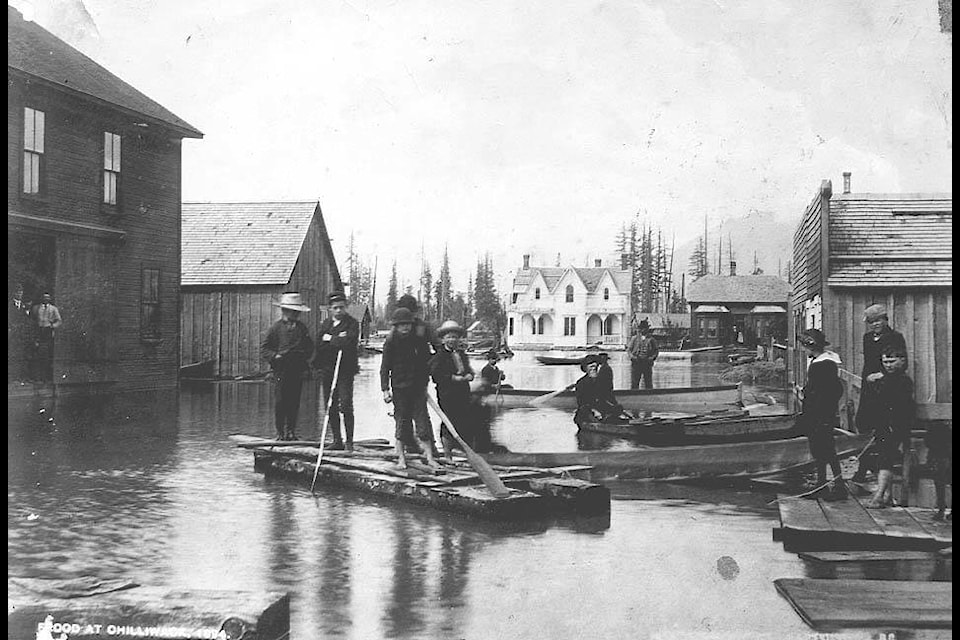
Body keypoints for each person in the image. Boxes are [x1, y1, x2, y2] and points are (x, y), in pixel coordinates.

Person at [852, 303, 908, 481]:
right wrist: (867, 378)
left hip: (887, 388)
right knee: (863, 424)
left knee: (883, 428)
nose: (875, 324)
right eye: (871, 321)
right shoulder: (867, 338)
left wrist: (882, 374)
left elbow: (901, 363)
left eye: (878, 320)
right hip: (869, 389)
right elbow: (868, 363)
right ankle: (865, 466)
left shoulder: (895, 337)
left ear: (885, 320)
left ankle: (878, 468)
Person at [381, 307, 439, 469]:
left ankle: (429, 457)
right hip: (399, 389)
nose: (405, 327)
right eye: (401, 325)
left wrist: (426, 377)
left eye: (407, 324)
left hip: (418, 388)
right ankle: (401, 458)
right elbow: (384, 367)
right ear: (396, 327)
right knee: (401, 423)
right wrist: (385, 389)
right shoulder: (391, 343)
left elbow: (427, 360)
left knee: (422, 424)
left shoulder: (419, 341)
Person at [797, 328, 847, 501]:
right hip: (823, 414)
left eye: (804, 347)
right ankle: (823, 484)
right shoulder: (826, 362)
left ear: (810, 347)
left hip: (819, 415)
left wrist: (810, 404)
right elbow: (836, 389)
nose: (803, 350)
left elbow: (822, 392)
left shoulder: (821, 365)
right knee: (822, 450)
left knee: (824, 450)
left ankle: (837, 487)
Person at [864, 345, 915, 509]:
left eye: (892, 361)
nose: (888, 365)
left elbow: (900, 407)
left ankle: (879, 496)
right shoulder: (884, 379)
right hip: (883, 426)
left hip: (896, 426)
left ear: (902, 361)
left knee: (886, 458)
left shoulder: (903, 381)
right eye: (885, 362)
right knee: (883, 458)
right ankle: (887, 496)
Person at [261, 292, 314, 441]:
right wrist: (275, 356)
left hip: (296, 370)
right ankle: (280, 433)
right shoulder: (275, 329)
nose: (295, 314)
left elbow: (310, 348)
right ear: (285, 311)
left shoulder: (302, 329)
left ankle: (291, 431)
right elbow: (265, 349)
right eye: (293, 311)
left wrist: (304, 358)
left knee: (294, 401)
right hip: (281, 370)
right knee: (280, 402)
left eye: (297, 312)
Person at [314, 291, 360, 451]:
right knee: (330, 405)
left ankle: (349, 442)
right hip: (328, 370)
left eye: (341, 307)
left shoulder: (352, 323)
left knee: (346, 405)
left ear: (346, 307)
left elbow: (349, 342)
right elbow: (319, 344)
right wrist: (338, 339)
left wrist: (330, 339)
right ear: (330, 309)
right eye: (335, 308)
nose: (339, 310)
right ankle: (337, 440)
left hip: (345, 370)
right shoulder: (325, 324)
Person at [429, 320, 476, 461]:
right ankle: (448, 456)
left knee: (464, 421)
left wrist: (470, 375)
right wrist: (455, 378)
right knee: (448, 422)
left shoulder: (462, 354)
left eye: (454, 337)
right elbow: (436, 376)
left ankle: (466, 455)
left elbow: (469, 370)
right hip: (447, 394)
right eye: (449, 337)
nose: (452, 340)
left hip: (463, 393)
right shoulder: (439, 356)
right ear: (443, 339)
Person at [574, 353, 628, 425]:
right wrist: (594, 410)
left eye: (595, 367)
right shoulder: (581, 383)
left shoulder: (602, 381)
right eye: (591, 367)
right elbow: (582, 403)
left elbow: (609, 397)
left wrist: (619, 409)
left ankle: (610, 420)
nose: (593, 369)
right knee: (585, 411)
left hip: (600, 407)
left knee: (618, 408)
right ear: (585, 368)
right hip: (587, 409)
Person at [31, 292, 62, 383]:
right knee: (37, 352)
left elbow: (59, 321)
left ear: (50, 299)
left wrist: (52, 326)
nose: (45, 299)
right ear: (41, 298)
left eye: (47, 298)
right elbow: (32, 320)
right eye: (44, 297)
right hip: (38, 331)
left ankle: (46, 376)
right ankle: (37, 376)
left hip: (47, 331)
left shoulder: (53, 309)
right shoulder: (36, 308)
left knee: (47, 353)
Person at [925, 420, 952, 521]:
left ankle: (941, 510)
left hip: (938, 458)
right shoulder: (948, 434)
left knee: (939, 484)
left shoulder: (931, 433)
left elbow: (927, 443)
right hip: (949, 456)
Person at [8, 284, 32, 382]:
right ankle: (12, 377)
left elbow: (26, 320)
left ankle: (22, 377)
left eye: (21, 292)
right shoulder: (9, 305)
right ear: (14, 293)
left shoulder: (24, 306)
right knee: (13, 355)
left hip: (21, 335)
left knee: (23, 355)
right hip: (13, 334)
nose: (20, 294)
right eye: (18, 292)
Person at [628, 319, 658, 389]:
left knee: (648, 382)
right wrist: (632, 357)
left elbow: (656, 350)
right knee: (635, 382)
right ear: (640, 329)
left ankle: (649, 397)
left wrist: (652, 358)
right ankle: (634, 396)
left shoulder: (652, 339)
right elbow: (629, 349)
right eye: (642, 328)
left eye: (645, 328)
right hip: (636, 362)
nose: (644, 330)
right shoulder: (634, 338)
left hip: (647, 362)